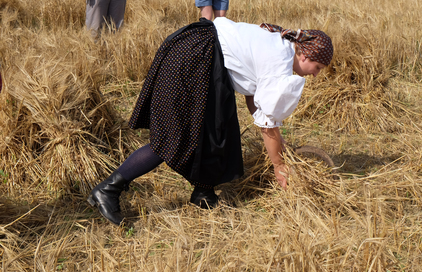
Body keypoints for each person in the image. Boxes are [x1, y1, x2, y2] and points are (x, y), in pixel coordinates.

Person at [87, 17, 333, 226]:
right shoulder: (279, 61)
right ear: (303, 53)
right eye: (317, 66)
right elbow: (267, 122)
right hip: (196, 60)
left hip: (198, 51)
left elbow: (255, 101)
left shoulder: (279, 46)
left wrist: (274, 139)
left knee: (217, 129)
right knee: (174, 138)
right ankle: (108, 189)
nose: (315, 74)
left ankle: (203, 192)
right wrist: (280, 165)